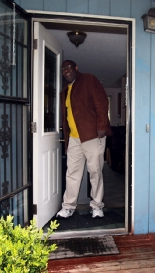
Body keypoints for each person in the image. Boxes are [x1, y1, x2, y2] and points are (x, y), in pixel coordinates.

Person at [56, 60, 112, 219]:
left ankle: (96, 206)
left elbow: (102, 103)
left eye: (68, 68)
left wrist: (102, 125)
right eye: (63, 70)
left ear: (76, 68)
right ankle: (68, 207)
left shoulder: (89, 80)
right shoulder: (65, 90)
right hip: (74, 139)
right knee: (72, 173)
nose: (66, 71)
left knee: (95, 172)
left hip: (92, 135)